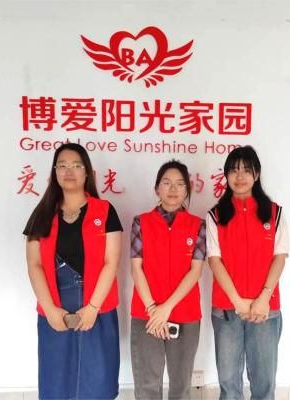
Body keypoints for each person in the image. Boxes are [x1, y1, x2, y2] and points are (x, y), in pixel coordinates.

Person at [23, 143, 122, 400]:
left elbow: (111, 262)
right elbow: (34, 264)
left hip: (97, 305)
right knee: (57, 379)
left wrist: (93, 308)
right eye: (63, 165)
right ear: (54, 172)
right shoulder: (42, 213)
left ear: (87, 172)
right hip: (55, 306)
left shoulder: (105, 210)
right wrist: (50, 309)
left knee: (98, 380)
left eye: (76, 165)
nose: (69, 171)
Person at [206, 146, 290, 400]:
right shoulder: (216, 215)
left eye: (246, 170)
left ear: (257, 173)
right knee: (229, 383)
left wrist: (263, 297)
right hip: (227, 310)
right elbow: (214, 261)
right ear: (226, 175)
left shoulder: (274, 213)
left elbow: (280, 257)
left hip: (265, 309)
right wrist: (237, 301)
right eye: (233, 170)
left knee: (264, 383)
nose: (240, 176)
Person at [130, 160, 206, 400]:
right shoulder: (141, 222)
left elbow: (195, 271)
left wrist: (166, 309)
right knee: (147, 385)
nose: (173, 189)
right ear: (157, 188)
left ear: (187, 190)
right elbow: (136, 268)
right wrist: (154, 310)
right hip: (147, 315)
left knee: (181, 386)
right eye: (166, 183)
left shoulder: (198, 225)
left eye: (180, 184)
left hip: (185, 314)